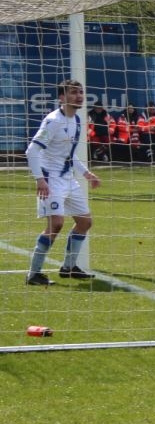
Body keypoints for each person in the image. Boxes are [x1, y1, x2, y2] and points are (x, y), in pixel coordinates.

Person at [24, 80, 103, 285]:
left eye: (81, 92)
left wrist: (86, 174)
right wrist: (40, 179)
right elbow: (32, 151)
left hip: (68, 179)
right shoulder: (53, 121)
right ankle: (33, 274)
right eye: (73, 92)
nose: (79, 96)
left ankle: (68, 268)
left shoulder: (77, 120)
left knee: (85, 222)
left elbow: (69, 154)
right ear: (61, 97)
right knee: (56, 224)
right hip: (51, 180)